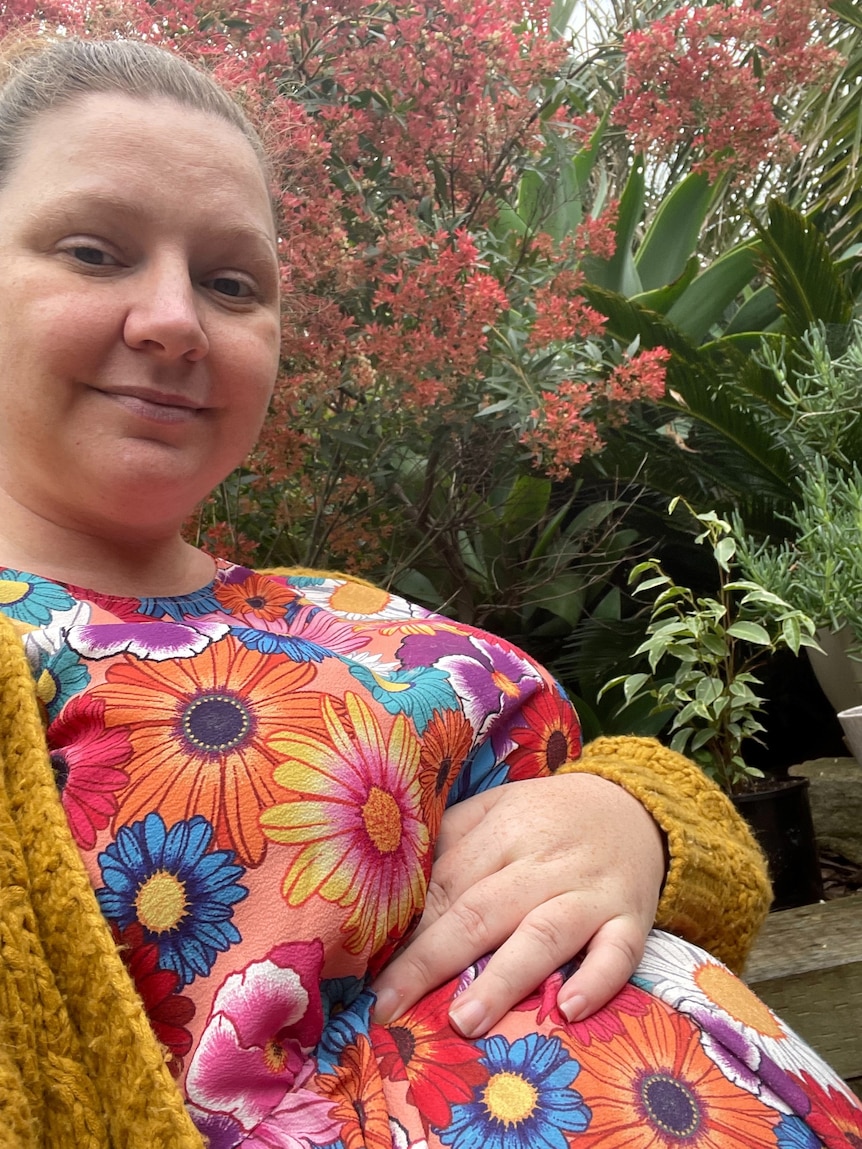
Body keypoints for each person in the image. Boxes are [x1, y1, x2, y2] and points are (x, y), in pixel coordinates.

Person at [0, 34, 858, 1149]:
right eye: (94, 251)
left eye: (229, 281)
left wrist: (634, 824)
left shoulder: (346, 611)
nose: (175, 318)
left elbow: (598, 802)